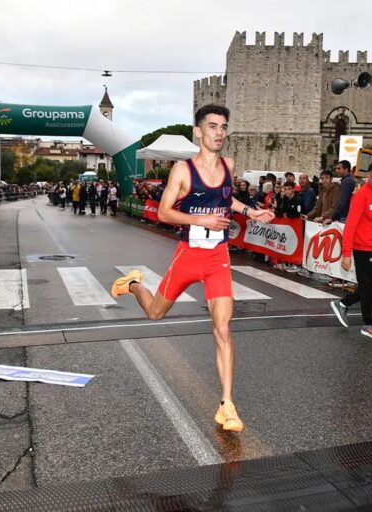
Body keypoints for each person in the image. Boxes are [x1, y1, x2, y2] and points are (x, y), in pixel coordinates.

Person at [111, 104, 274, 433]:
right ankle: (133, 285)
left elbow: (227, 200)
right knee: (155, 314)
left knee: (224, 330)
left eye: (223, 127)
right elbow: (164, 213)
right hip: (188, 255)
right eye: (212, 126)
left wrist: (250, 212)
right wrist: (200, 219)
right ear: (198, 132)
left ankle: (227, 404)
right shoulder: (183, 171)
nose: (219, 132)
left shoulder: (228, 165)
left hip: (217, 258)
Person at [330, 161, 372, 341]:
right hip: (362, 249)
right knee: (368, 287)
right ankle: (368, 324)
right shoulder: (361, 195)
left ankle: (344, 303)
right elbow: (350, 226)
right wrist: (346, 254)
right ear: (368, 176)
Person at [324, 160, 356, 225]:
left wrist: (332, 217)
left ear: (346, 169)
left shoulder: (347, 181)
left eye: (339, 169)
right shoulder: (349, 180)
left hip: (344, 216)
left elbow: (342, 202)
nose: (336, 171)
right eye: (336, 169)